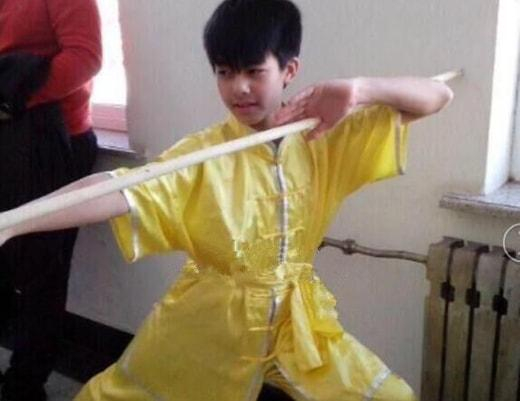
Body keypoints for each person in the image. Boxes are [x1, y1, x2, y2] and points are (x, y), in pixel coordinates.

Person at [0, 0, 454, 400]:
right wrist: (15, 221)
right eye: (224, 72)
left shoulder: (322, 137)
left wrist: (360, 89)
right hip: (212, 318)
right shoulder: (205, 154)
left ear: (289, 70)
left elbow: (438, 95)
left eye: (254, 71)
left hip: (296, 321)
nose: (239, 87)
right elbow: (117, 189)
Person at [0, 1, 101, 400]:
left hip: (54, 143)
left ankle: (25, 385)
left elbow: (85, 57)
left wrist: (12, 97)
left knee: (44, 271)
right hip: (7, 138)